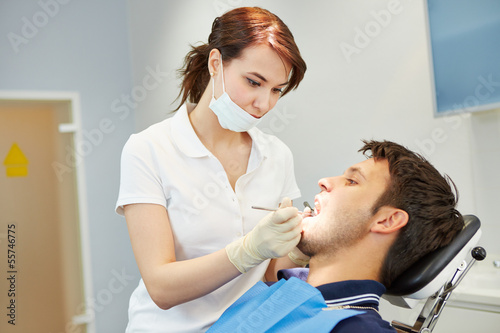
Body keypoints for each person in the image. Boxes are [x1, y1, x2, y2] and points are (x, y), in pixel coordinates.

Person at [115, 7, 308, 333]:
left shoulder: (277, 156)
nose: (264, 104)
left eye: (276, 89)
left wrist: (302, 248)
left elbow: (272, 274)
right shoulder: (149, 149)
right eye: (253, 82)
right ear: (216, 63)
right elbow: (161, 288)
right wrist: (249, 250)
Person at [208, 140, 465, 333]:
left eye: (352, 181)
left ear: (387, 220)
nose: (324, 181)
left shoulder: (356, 329)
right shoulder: (282, 289)